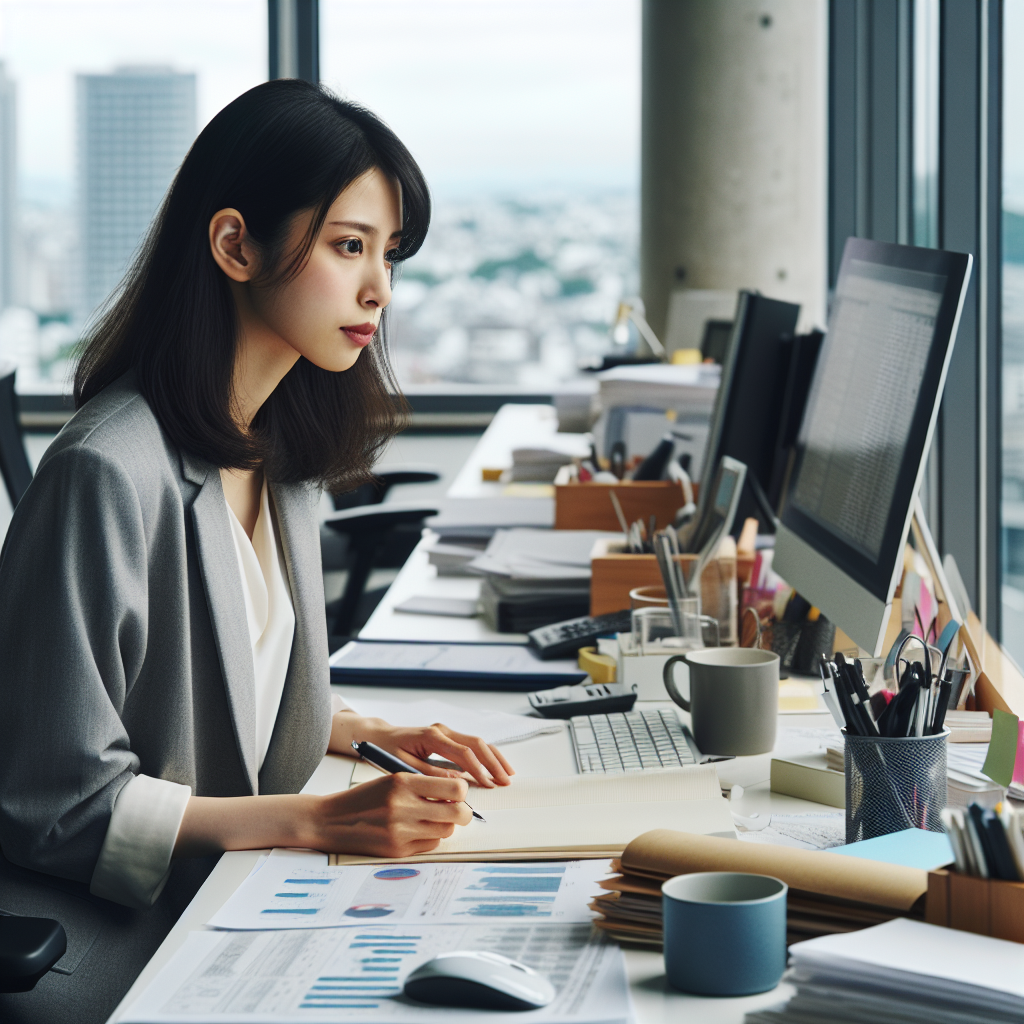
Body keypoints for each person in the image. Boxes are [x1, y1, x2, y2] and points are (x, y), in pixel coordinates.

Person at [0, 79, 513, 1023]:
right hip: (113, 942)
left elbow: (218, 677)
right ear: (236, 244)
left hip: (234, 900)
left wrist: (356, 731)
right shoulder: (106, 472)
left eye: (388, 255)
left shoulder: (277, 456)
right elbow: (55, 801)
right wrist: (315, 819)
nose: (379, 290)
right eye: (348, 247)